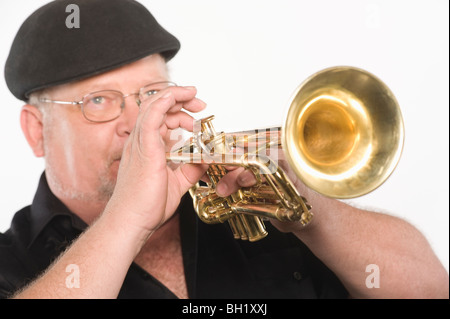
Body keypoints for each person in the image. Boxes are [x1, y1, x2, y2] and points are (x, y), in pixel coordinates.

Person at [0, 0, 448, 299]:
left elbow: (431, 289)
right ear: (35, 130)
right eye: (99, 101)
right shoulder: (11, 261)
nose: (137, 125)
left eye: (152, 94)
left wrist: (310, 209)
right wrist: (128, 218)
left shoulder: (246, 208)